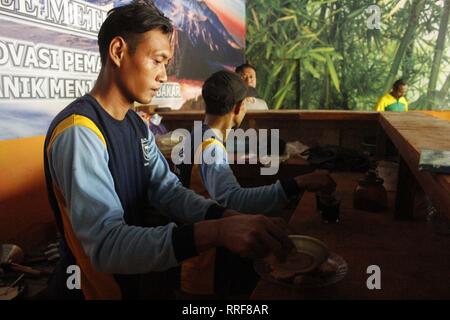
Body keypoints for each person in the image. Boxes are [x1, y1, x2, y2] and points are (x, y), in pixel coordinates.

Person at [43, 0, 294, 300]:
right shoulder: (80, 131)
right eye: (157, 60)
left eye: (166, 63)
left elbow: (167, 191)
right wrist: (215, 232)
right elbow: (107, 245)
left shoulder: (135, 124)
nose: (164, 75)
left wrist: (227, 216)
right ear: (118, 52)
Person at [175, 70, 336, 297]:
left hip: (190, 253)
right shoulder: (210, 147)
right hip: (205, 267)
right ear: (239, 107)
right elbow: (232, 199)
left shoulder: (193, 136)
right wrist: (297, 183)